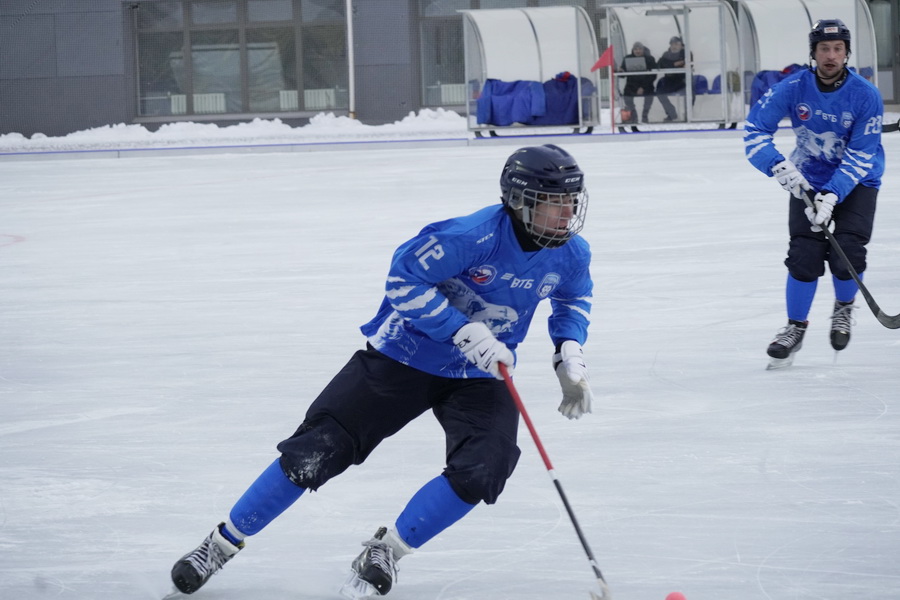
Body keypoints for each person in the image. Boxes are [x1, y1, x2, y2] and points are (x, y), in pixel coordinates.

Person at [168, 144, 595, 598]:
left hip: (480, 374)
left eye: (572, 202)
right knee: (316, 449)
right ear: (520, 202)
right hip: (404, 355)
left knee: (485, 468)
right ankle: (221, 543)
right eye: (554, 203)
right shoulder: (469, 237)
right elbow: (402, 280)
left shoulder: (571, 253)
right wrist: (462, 332)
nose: (567, 214)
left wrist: (568, 351)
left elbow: (573, 298)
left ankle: (387, 550)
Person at [743, 19, 884, 368]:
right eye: (824, 49)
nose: (831, 56)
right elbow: (755, 131)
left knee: (848, 251)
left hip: (858, 182)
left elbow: (861, 154)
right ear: (814, 52)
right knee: (804, 255)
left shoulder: (866, 95)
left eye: (838, 49)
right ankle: (795, 328)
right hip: (806, 179)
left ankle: (844, 309)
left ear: (847, 53)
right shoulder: (792, 88)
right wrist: (778, 167)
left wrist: (833, 195)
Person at [620, 41, 657, 124]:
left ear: (643, 50)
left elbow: (653, 75)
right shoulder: (627, 58)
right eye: (635, 49)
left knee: (650, 95)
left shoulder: (650, 59)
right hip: (632, 85)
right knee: (626, 96)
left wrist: (643, 87)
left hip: (647, 84)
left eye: (640, 49)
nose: (638, 51)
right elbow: (622, 75)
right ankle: (634, 116)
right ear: (632, 50)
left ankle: (645, 115)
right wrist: (621, 71)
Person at [656, 36, 687, 122]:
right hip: (669, 81)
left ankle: (688, 115)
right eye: (672, 44)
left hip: (683, 81)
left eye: (677, 44)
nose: (674, 46)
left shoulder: (686, 53)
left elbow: (688, 64)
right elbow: (659, 65)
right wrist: (674, 64)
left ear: (681, 45)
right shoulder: (666, 54)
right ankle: (671, 113)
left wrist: (669, 64)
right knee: (659, 93)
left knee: (690, 92)